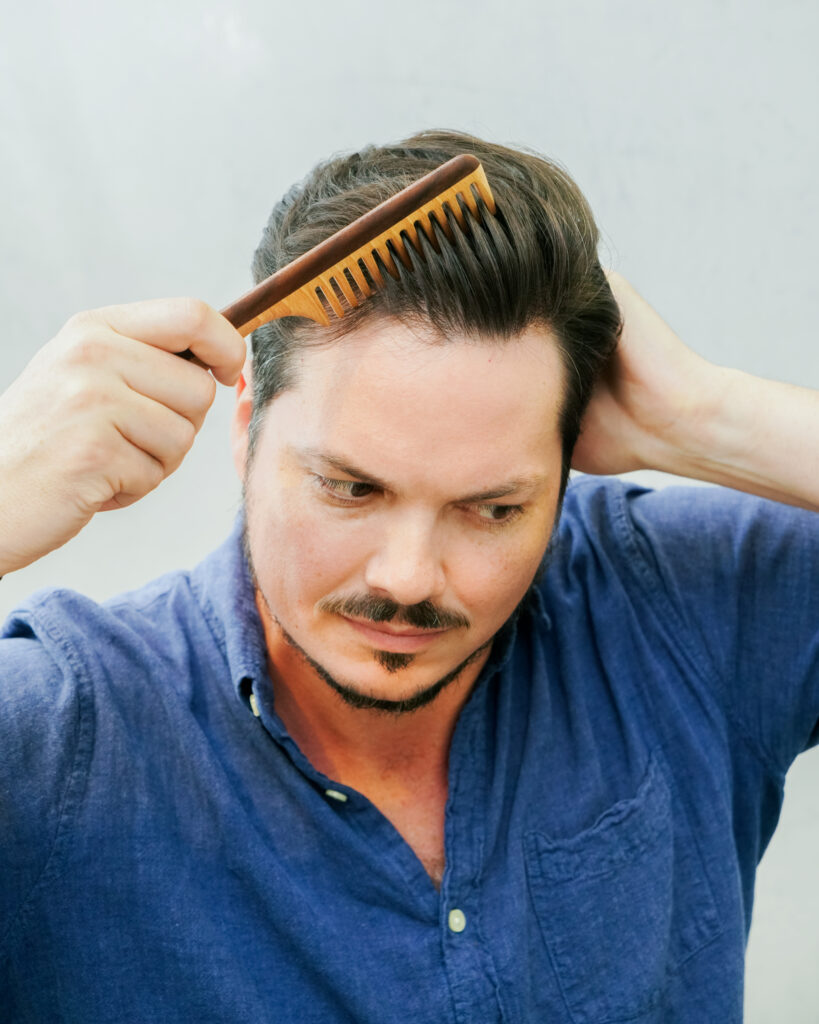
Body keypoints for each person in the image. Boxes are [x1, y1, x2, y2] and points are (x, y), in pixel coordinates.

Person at [0, 129, 816, 1023]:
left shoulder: (674, 606)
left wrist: (709, 416)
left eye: (492, 509)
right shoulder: (62, 736)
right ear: (247, 426)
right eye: (350, 488)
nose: (407, 576)